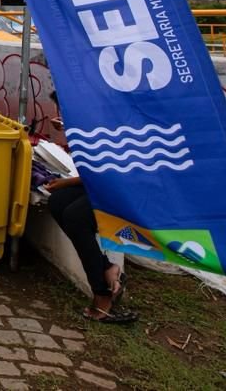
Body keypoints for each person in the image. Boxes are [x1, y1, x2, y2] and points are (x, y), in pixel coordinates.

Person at [43, 94, 135, 323]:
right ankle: (107, 268)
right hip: (106, 185)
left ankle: (102, 296)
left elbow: (107, 171)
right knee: (58, 202)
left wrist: (66, 182)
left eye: (64, 111)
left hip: (131, 191)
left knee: (76, 216)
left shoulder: (109, 124)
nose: (61, 116)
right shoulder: (89, 124)